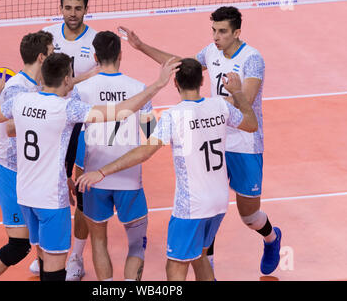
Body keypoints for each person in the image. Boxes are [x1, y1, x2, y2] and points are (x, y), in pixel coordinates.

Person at [0, 52, 179, 281]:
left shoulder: (21, 101)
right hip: (51, 199)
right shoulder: (67, 108)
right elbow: (121, 110)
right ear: (65, 79)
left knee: (42, 259)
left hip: (25, 196)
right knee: (54, 269)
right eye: (71, 77)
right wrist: (159, 84)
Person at [118, 6, 282, 276]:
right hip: (214, 136)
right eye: (214, 31)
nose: (217, 37)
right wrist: (140, 46)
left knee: (249, 215)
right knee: (208, 205)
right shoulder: (211, 51)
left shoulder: (253, 60)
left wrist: (202, 107)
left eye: (223, 32)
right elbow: (186, 67)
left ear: (237, 32)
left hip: (244, 143)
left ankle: (271, 238)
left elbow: (245, 102)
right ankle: (210, 271)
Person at [77, 58, 258, 280]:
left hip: (191, 206)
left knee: (175, 267)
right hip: (220, 202)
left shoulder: (174, 115)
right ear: (202, 81)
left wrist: (102, 171)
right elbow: (251, 124)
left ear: (176, 84)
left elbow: (145, 152)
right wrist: (238, 92)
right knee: (199, 256)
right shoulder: (220, 105)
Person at [0, 31, 54, 281]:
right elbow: (12, 128)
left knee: (43, 234)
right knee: (18, 246)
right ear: (41, 57)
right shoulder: (17, 88)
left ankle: (47, 269)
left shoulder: (39, 84)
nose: (55, 54)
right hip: (10, 172)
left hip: (31, 172)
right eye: (52, 50)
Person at [72, 31, 157, 281]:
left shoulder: (81, 89)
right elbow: (151, 134)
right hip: (129, 180)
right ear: (121, 54)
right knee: (136, 245)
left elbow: (74, 136)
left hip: (92, 179)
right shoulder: (139, 89)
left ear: (96, 57)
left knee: (98, 241)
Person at [29, 0, 99, 280]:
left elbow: (102, 75)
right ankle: (44, 254)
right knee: (46, 187)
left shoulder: (95, 40)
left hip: (81, 124)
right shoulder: (47, 36)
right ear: (61, 8)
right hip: (49, 122)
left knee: (79, 191)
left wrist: (71, 82)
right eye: (68, 8)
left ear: (86, 9)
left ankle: (76, 258)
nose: (73, 14)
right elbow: (35, 73)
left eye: (78, 8)